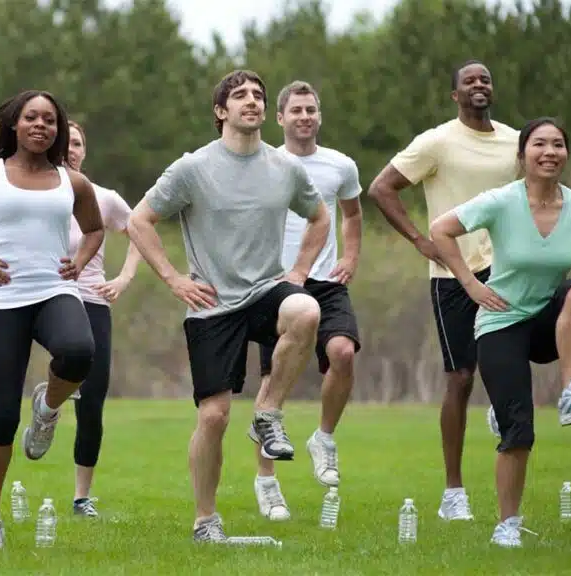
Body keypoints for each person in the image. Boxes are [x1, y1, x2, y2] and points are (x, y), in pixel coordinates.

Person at [127, 69, 328, 543]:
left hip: (264, 290)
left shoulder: (285, 168)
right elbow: (139, 220)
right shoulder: (193, 168)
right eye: (240, 96)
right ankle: (205, 521)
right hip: (212, 302)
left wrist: (297, 272)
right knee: (213, 416)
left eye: (258, 95)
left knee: (306, 311)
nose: (252, 102)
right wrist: (175, 278)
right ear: (221, 111)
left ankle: (267, 415)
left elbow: (319, 216)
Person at [429, 117, 571, 547]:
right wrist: (470, 283)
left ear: (566, 155)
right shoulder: (500, 201)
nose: (549, 152)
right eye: (539, 144)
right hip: (501, 322)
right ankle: (507, 527)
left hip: (549, 325)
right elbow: (440, 229)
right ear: (522, 156)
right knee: (520, 429)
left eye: (558, 144)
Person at [0, 90, 104, 550]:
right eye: (31, 117)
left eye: (50, 120)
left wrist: (80, 263)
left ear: (58, 129)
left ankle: (47, 409)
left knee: (79, 350)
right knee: (3, 415)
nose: (40, 126)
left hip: (55, 289)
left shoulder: (73, 182)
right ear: (15, 124)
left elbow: (94, 229)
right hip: (3, 299)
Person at [367, 60, 518, 521]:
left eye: (485, 79)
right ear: (456, 95)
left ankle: (502, 406)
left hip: (509, 271)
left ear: (493, 89)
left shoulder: (516, 142)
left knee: (510, 362)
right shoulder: (437, 142)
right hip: (453, 275)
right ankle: (454, 493)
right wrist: (419, 240)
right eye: (469, 80)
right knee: (460, 378)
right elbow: (381, 188)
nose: (479, 84)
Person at [249, 80, 363, 522]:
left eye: (311, 109)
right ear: (279, 118)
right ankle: (268, 483)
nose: (304, 117)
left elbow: (352, 213)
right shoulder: (263, 163)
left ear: (319, 115)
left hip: (325, 281)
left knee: (343, 353)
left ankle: (324, 438)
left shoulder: (341, 165)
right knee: (273, 382)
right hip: (275, 287)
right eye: (295, 110)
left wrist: (351, 254)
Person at [56, 120, 143, 518]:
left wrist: (123, 279)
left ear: (84, 151)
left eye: (76, 143)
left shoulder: (104, 198)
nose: (70, 149)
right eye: (64, 141)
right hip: (45, 299)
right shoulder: (34, 194)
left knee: (92, 403)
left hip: (92, 299)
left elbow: (141, 231)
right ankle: (49, 403)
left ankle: (81, 497)